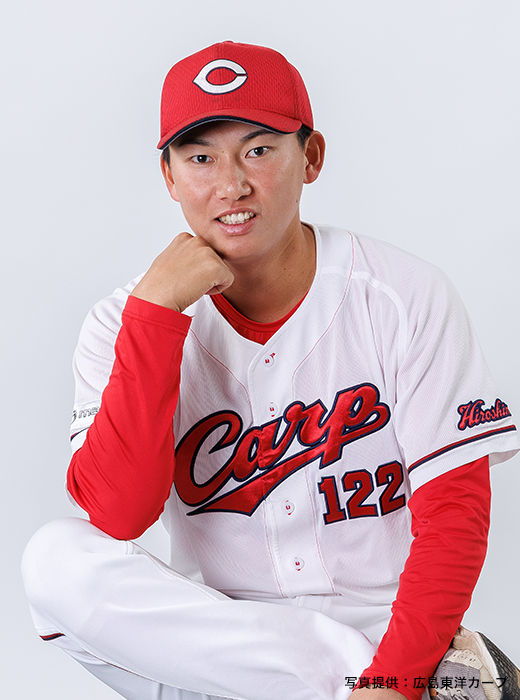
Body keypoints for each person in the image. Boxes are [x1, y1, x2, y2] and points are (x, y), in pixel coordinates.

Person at [22, 41, 520, 700]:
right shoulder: (121, 322)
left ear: (310, 157)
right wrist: (154, 318)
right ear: (168, 176)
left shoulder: (401, 293)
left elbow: (454, 514)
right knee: (55, 561)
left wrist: (392, 678)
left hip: (387, 630)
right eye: (201, 158)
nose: (231, 186)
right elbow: (120, 516)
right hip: (227, 644)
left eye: (258, 150)